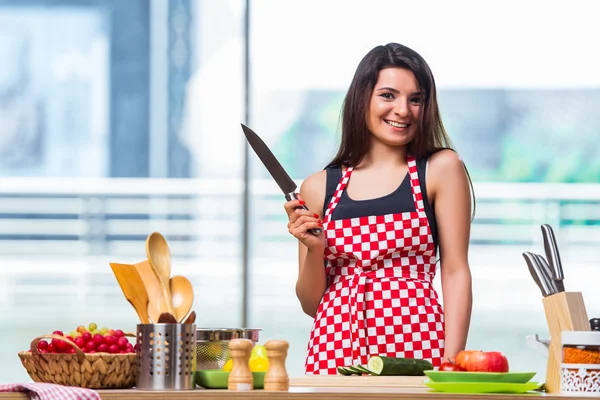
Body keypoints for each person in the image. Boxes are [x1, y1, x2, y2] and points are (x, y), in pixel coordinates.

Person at [284, 42, 474, 374]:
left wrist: (451, 363)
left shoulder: (441, 169)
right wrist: (315, 250)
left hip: (418, 344)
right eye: (388, 95)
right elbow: (312, 304)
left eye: (415, 99)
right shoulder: (317, 188)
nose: (403, 109)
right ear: (362, 99)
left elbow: (455, 271)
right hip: (334, 347)